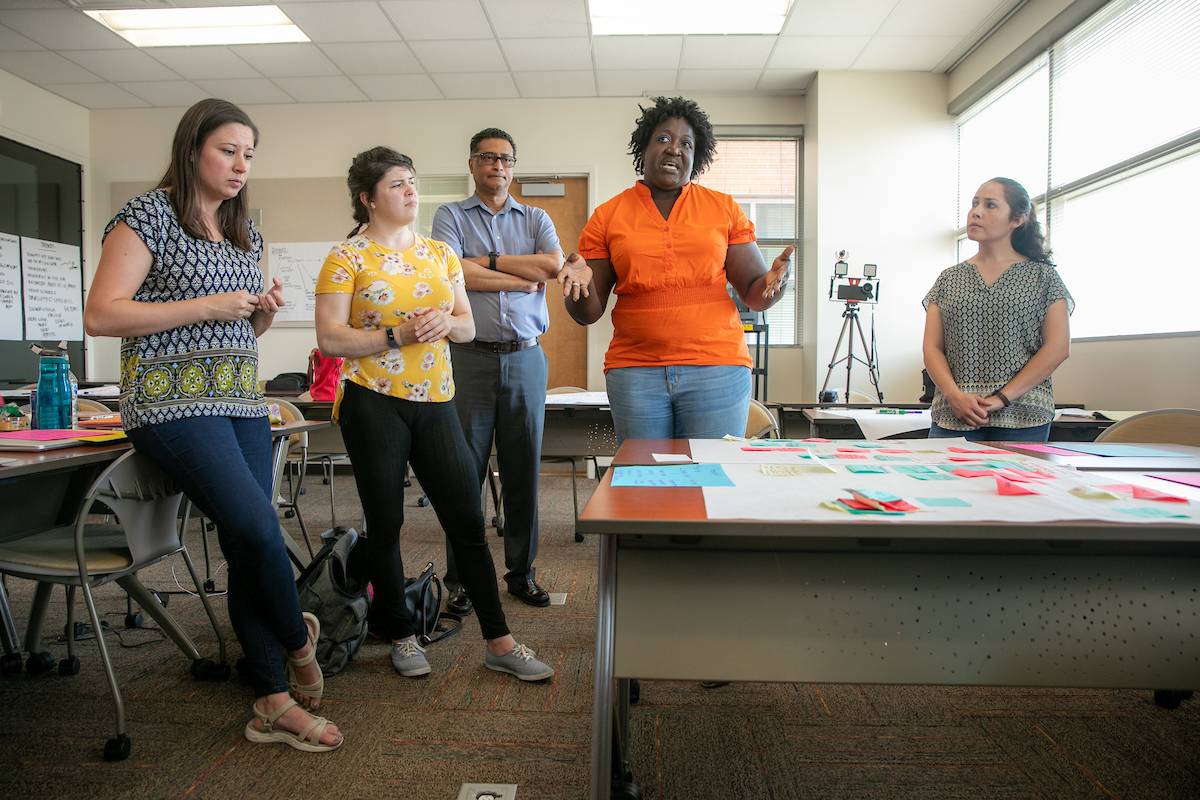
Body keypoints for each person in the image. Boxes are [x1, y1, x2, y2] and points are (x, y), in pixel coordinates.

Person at [84, 98, 342, 752]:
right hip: (170, 402)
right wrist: (208, 304)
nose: (239, 164)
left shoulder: (242, 231)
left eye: (249, 154)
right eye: (228, 149)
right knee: (256, 526)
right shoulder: (148, 215)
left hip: (236, 399)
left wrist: (257, 314)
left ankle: (271, 701)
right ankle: (298, 643)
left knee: (247, 540)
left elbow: (235, 326)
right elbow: (103, 314)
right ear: (193, 146)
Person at [313, 146, 554, 683]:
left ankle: (500, 640)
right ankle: (399, 632)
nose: (410, 192)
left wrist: (444, 324)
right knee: (387, 523)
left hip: (437, 399)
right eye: (397, 184)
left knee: (467, 521)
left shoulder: (441, 254)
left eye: (412, 182)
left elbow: (468, 327)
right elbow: (330, 338)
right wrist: (395, 334)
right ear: (367, 198)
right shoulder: (346, 258)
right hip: (373, 400)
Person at [562, 96, 792, 442]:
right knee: (644, 481)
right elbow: (588, 312)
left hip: (716, 368)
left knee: (710, 480)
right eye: (664, 139)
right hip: (636, 371)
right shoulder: (609, 215)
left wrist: (777, 283)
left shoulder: (723, 209)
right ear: (645, 147)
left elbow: (756, 294)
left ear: (696, 156)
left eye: (687, 143)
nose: (675, 149)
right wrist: (576, 288)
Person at [432, 128, 585, 613]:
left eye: (505, 159)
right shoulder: (449, 215)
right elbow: (452, 273)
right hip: (469, 357)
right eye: (487, 157)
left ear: (513, 167)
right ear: (473, 163)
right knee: (465, 473)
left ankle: (521, 573)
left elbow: (551, 265)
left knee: (523, 472)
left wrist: (490, 263)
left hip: (524, 357)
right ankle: (461, 580)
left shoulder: (536, 216)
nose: (497, 166)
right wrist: (516, 277)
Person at [923, 177, 1073, 442]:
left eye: (990, 205)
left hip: (1023, 416)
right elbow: (932, 348)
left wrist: (1001, 398)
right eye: (974, 204)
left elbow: (1058, 348)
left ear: (1017, 219)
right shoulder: (948, 278)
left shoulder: (1043, 278)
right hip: (954, 415)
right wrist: (954, 395)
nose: (976, 212)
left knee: (1014, 486)